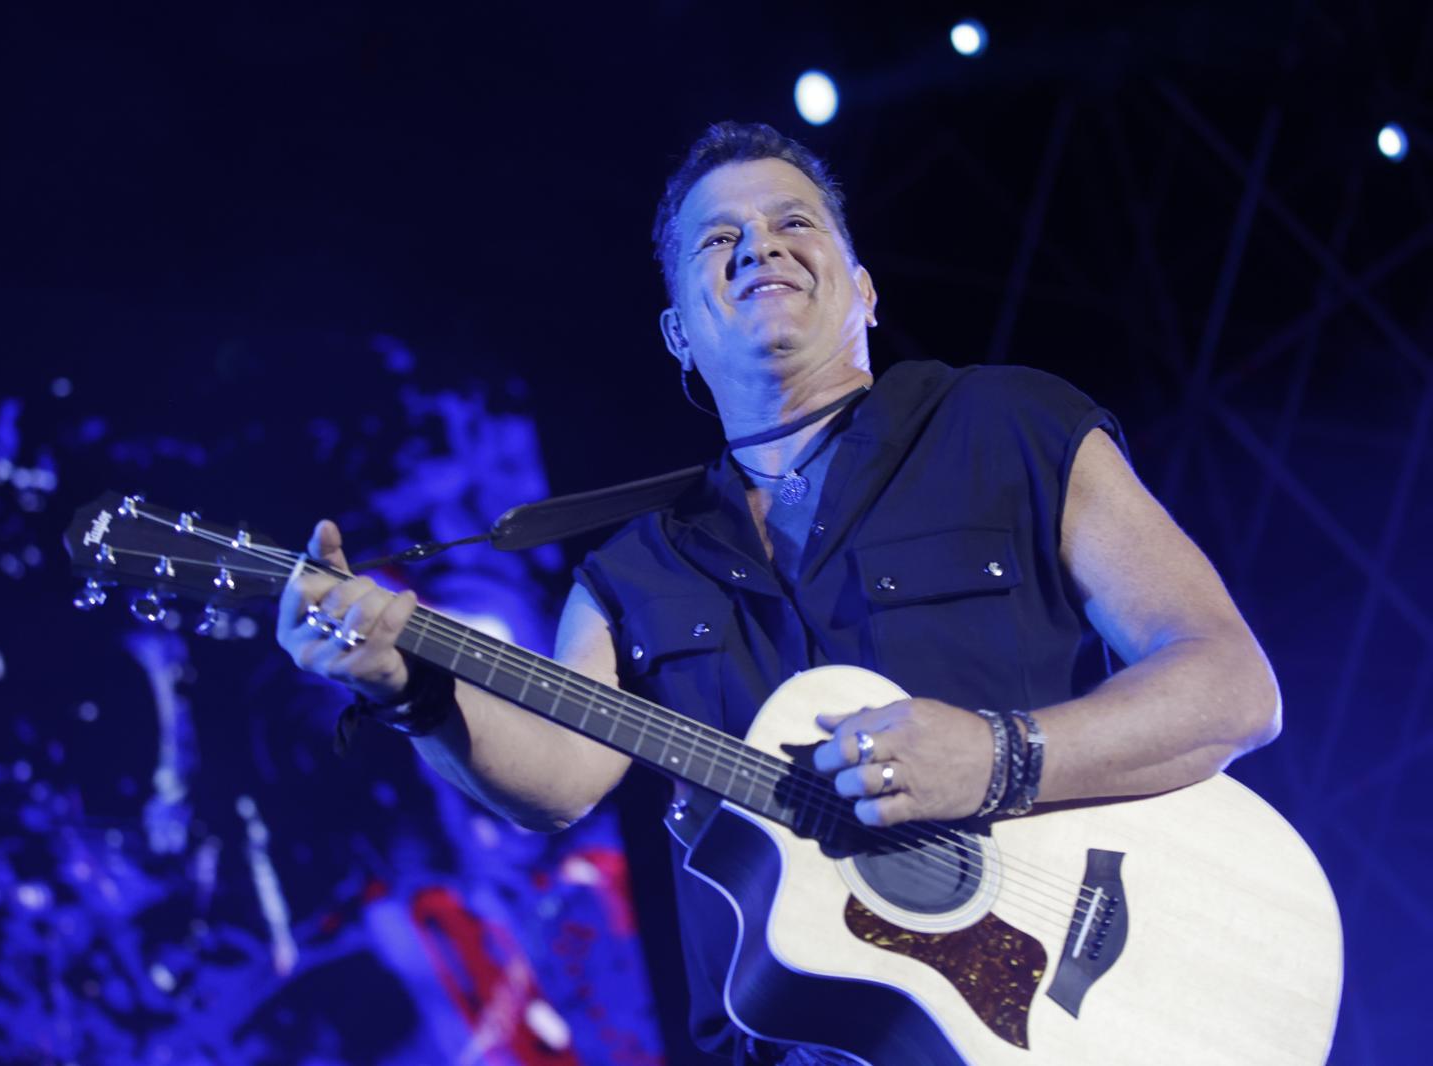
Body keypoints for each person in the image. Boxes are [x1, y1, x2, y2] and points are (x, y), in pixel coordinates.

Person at [278, 122, 1281, 1064]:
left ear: (864, 287)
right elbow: (555, 781)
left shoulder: (1009, 423)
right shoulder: (633, 569)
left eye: (794, 221)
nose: (760, 243)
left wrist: (995, 757)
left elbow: (1230, 685)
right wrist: (405, 683)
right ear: (677, 332)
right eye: (720, 237)